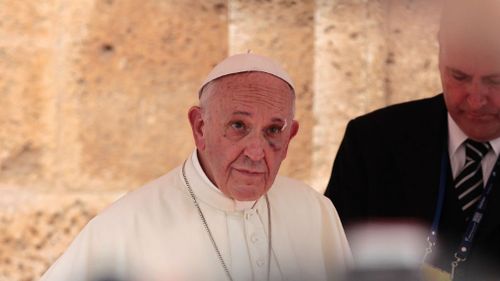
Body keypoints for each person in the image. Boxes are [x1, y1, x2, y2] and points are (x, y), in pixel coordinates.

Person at [40, 53, 351, 281]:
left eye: (273, 130)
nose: (256, 153)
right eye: (239, 126)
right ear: (200, 127)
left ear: (290, 136)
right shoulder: (123, 229)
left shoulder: (315, 212)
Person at [325, 1, 500, 280]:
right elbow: (330, 261)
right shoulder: (371, 141)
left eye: (495, 80)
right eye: (459, 77)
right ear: (439, 53)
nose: (476, 99)